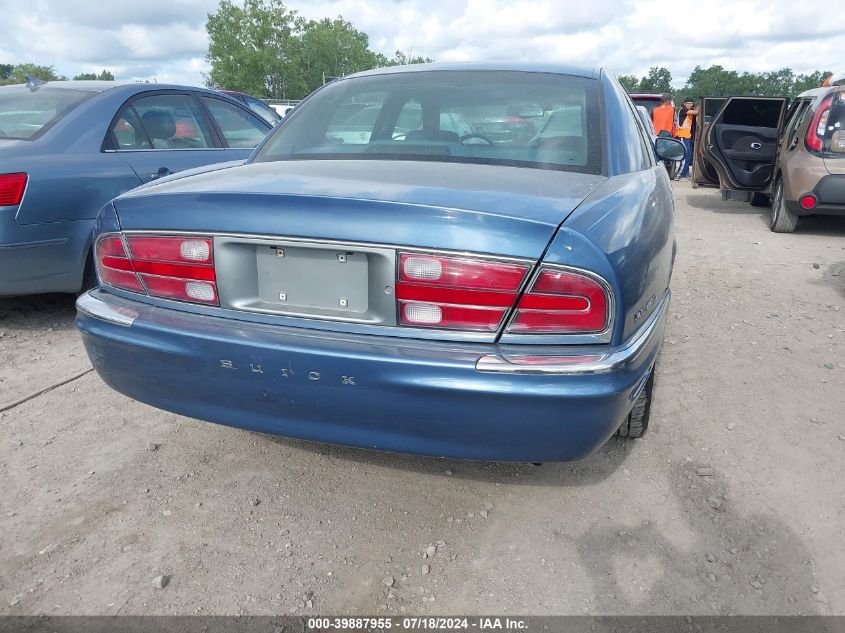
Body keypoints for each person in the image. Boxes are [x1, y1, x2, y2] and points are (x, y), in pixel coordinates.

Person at [676, 97, 698, 180]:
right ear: (684, 104)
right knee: (685, 157)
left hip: (688, 137)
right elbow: (696, 112)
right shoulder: (683, 110)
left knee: (688, 156)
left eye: (691, 103)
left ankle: (685, 173)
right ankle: (680, 175)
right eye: (688, 103)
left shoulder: (689, 113)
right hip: (682, 136)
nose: (689, 105)